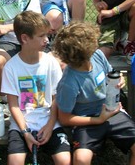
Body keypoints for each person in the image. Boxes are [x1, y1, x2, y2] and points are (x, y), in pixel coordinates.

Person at [53, 21, 135, 165]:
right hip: (86, 121)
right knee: (80, 159)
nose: (97, 42)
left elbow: (111, 72)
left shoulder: (97, 55)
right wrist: (97, 120)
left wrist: (119, 79)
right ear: (86, 49)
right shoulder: (68, 82)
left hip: (111, 111)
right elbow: (64, 118)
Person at [1, 11, 71, 165]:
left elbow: (55, 99)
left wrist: (50, 125)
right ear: (25, 38)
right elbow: (13, 105)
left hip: (48, 121)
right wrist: (25, 132)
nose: (46, 40)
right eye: (41, 36)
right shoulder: (11, 67)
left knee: (64, 161)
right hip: (21, 125)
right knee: (14, 162)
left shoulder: (51, 63)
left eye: (47, 34)